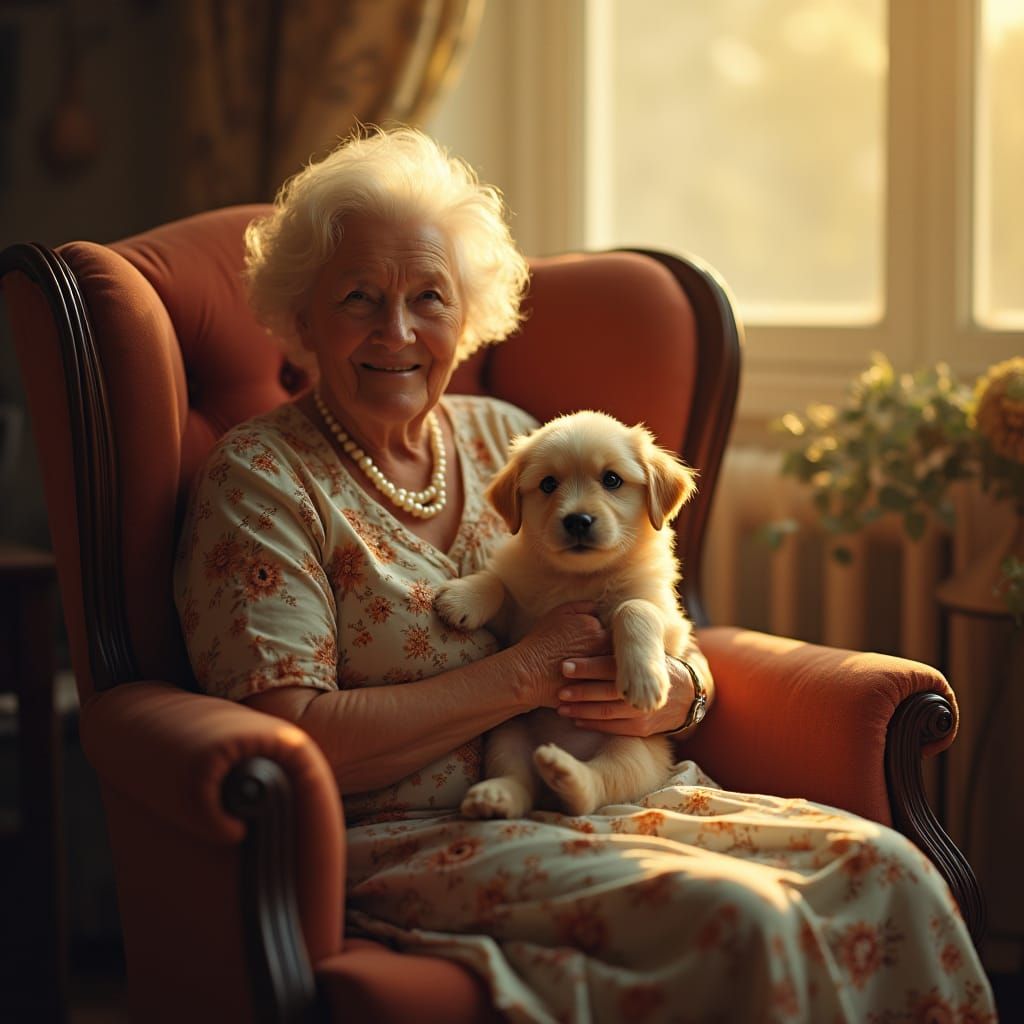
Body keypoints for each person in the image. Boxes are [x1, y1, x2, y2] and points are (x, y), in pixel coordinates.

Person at [174, 126, 995, 1023]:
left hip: (618, 790)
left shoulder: (509, 437)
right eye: (360, 298)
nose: (398, 332)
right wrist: (522, 674)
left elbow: (670, 633)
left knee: (891, 873)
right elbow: (291, 736)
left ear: (468, 313)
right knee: (741, 920)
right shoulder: (258, 477)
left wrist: (673, 698)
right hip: (422, 836)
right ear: (302, 315)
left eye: (429, 298)